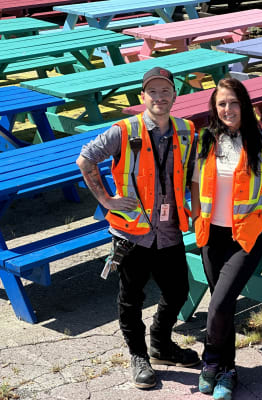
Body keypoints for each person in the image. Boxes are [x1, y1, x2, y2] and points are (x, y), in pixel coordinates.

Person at [76, 67, 199, 390]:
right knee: (131, 298)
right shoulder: (123, 130)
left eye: (165, 91)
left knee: (178, 292)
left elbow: (196, 175)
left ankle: (160, 343)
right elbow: (85, 160)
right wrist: (106, 200)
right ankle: (138, 355)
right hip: (132, 234)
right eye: (153, 92)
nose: (159, 97)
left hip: (170, 229)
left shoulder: (187, 130)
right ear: (142, 96)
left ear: (175, 95)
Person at [190, 78, 262, 400]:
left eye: (233, 102)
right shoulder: (205, 139)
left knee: (218, 304)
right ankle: (227, 370)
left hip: (244, 238)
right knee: (223, 307)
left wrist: (260, 222)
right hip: (209, 236)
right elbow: (194, 182)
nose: (228, 109)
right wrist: (196, 216)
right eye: (221, 104)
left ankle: (211, 361)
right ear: (214, 108)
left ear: (244, 104)